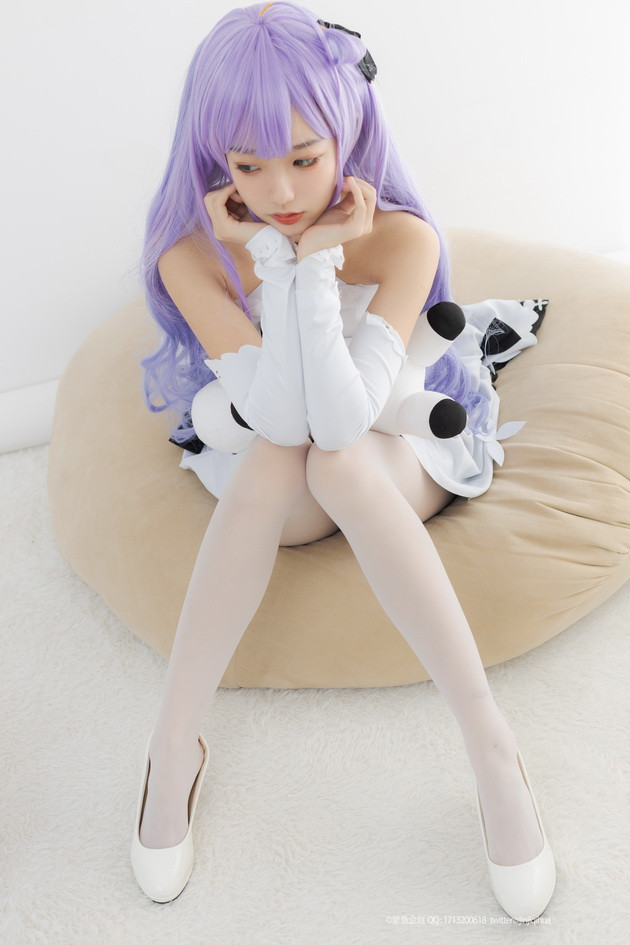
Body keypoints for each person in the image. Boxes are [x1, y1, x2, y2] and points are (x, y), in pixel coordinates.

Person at [130, 1, 555, 920]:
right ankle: (172, 746)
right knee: (283, 458)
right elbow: (283, 419)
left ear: (347, 134)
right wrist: (285, 262)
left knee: (340, 463)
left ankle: (491, 746)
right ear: (215, 158)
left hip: (392, 445)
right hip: (273, 455)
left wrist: (315, 263)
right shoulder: (191, 254)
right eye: (248, 165)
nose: (280, 192)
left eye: (304, 157)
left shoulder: (403, 236)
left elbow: (348, 418)